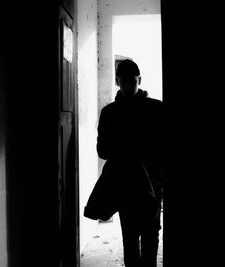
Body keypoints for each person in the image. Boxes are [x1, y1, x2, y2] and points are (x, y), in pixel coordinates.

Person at [96, 59, 164, 267]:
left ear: (139, 80)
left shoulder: (154, 109)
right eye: (123, 81)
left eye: (131, 81)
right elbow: (102, 150)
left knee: (147, 238)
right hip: (130, 186)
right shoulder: (153, 109)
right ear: (117, 81)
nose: (127, 86)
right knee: (134, 239)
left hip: (147, 185)